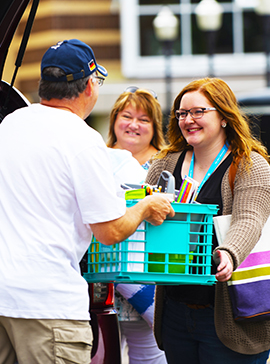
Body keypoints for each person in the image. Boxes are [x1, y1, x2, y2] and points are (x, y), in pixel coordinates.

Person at [0, 39, 174, 364]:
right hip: (45, 301)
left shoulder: (9, 125)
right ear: (90, 85)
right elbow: (109, 231)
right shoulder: (82, 139)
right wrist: (145, 207)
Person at [146, 77, 270, 363]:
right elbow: (144, 213)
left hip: (231, 317)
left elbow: (249, 219)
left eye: (198, 112)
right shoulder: (165, 163)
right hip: (176, 314)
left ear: (225, 116)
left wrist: (229, 253)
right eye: (182, 113)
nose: (188, 120)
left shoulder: (250, 165)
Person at [106, 87, 168, 364]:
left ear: (155, 127)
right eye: (127, 116)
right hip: (101, 282)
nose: (133, 125)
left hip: (150, 275)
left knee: (151, 357)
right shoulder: (96, 158)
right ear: (114, 120)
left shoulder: (168, 162)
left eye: (144, 120)